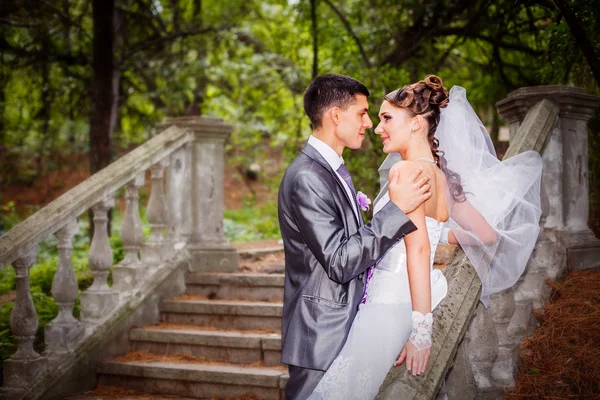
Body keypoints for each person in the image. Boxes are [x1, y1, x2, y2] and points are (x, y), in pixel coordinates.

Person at [307, 75, 542, 400]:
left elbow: (418, 249)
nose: (377, 128)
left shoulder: (404, 172)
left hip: (389, 303)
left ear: (417, 124)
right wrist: (446, 233)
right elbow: (485, 233)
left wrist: (421, 331)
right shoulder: (441, 176)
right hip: (416, 295)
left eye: (387, 118)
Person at [278, 74, 432, 400]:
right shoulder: (308, 177)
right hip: (321, 333)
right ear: (336, 115)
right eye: (362, 113)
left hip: (344, 324)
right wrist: (396, 211)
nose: (368, 124)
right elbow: (339, 261)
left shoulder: (331, 169)